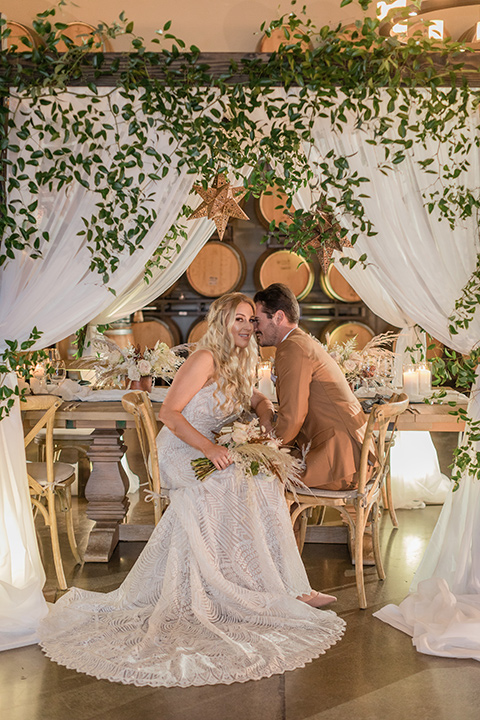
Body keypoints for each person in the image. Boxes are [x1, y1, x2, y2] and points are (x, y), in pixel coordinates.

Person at [38, 292, 345, 688]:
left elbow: (252, 396)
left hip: (212, 445)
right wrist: (211, 448)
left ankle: (282, 589)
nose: (247, 327)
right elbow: (169, 413)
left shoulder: (239, 358)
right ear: (221, 321)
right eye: (238, 319)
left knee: (264, 477)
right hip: (182, 450)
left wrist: (265, 412)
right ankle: (231, 587)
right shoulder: (204, 358)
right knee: (225, 481)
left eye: (251, 320)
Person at [254, 283, 371, 491]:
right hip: (352, 458)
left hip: (339, 463)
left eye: (258, 320)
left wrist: (264, 447)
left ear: (279, 317)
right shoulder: (299, 342)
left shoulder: (292, 348)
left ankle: (285, 524)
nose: (255, 328)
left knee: (255, 475)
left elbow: (293, 417)